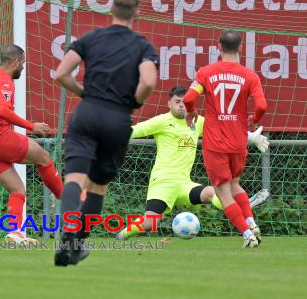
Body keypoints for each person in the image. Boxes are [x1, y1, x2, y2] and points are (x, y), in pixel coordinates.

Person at [54, 0, 159, 266]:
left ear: (110, 9)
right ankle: (76, 245)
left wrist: (84, 94)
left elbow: (62, 73)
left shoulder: (91, 38)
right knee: (98, 186)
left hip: (87, 113)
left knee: (74, 179)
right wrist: (134, 102)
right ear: (136, 12)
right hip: (117, 117)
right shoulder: (142, 46)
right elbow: (148, 81)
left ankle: (67, 230)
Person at [116, 86, 270, 240]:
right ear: (169, 104)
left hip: (184, 184)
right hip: (163, 183)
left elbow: (226, 130)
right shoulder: (161, 121)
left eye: (184, 102)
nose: (181, 105)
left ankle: (243, 206)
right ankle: (123, 234)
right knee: (150, 223)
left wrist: (250, 137)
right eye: (177, 102)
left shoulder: (198, 122)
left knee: (212, 192)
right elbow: (133, 131)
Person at [0, 44, 63, 245]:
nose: (23, 69)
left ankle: (16, 233)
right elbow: (3, 111)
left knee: (18, 190)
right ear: (16, 62)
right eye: (23, 65)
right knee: (44, 157)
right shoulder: (4, 81)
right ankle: (67, 200)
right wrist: (32, 126)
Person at [184, 29, 267, 248]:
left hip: (216, 143)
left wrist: (191, 112)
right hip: (238, 142)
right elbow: (262, 105)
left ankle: (247, 234)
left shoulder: (206, 72)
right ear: (240, 48)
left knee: (223, 191)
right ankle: (251, 221)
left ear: (218, 46)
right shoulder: (250, 75)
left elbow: (188, 97)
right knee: (235, 184)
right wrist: (255, 119)